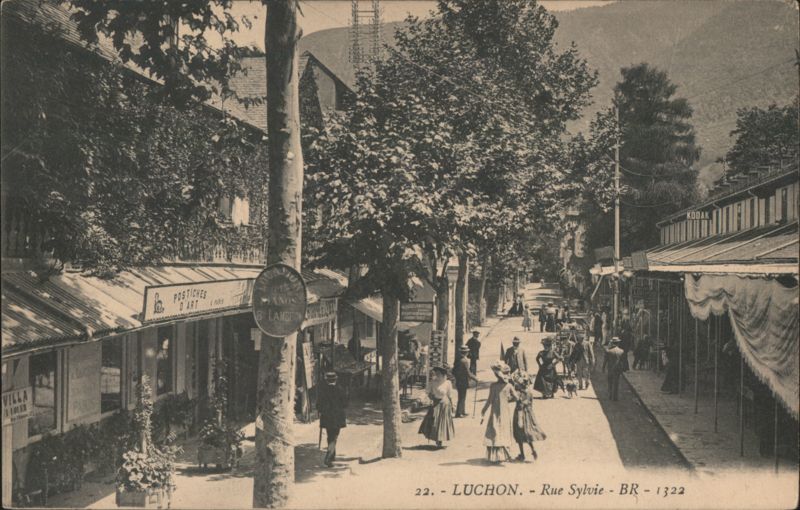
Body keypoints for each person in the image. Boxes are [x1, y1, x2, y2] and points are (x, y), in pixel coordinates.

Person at [480, 361, 517, 463]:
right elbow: (516, 398)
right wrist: (507, 400)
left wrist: (483, 410)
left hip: (495, 411)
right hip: (505, 411)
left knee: (495, 429)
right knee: (504, 430)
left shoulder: (493, 386)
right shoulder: (509, 386)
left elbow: (489, 400)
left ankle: (496, 455)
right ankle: (506, 454)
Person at [510, 370, 546, 461]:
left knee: (518, 434)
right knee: (527, 433)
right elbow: (530, 404)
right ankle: (533, 450)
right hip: (528, 414)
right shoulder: (529, 393)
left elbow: (513, 400)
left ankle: (522, 454)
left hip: (519, 413)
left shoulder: (519, 393)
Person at [418, 366, 455, 448]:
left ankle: (440, 440)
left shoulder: (447, 383)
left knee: (442, 423)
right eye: (436, 373)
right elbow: (427, 392)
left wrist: (452, 406)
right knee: (434, 422)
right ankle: (437, 438)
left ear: (443, 374)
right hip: (435, 404)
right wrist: (422, 398)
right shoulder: (432, 382)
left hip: (445, 404)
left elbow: (450, 395)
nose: (437, 375)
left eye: (439, 374)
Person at [317, 371, 348, 467]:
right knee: (334, 437)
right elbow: (345, 404)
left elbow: (318, 405)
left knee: (330, 435)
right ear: (336, 379)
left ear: (327, 380)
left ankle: (332, 454)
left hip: (327, 417)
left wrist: (322, 410)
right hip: (337, 417)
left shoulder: (323, 390)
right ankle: (328, 457)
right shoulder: (340, 389)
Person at [453, 345, 478, 418]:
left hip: (458, 380)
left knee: (461, 396)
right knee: (462, 397)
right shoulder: (465, 361)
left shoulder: (457, 359)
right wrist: (475, 378)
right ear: (466, 352)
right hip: (463, 381)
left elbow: (454, 371)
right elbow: (468, 373)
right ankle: (459, 413)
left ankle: (462, 411)